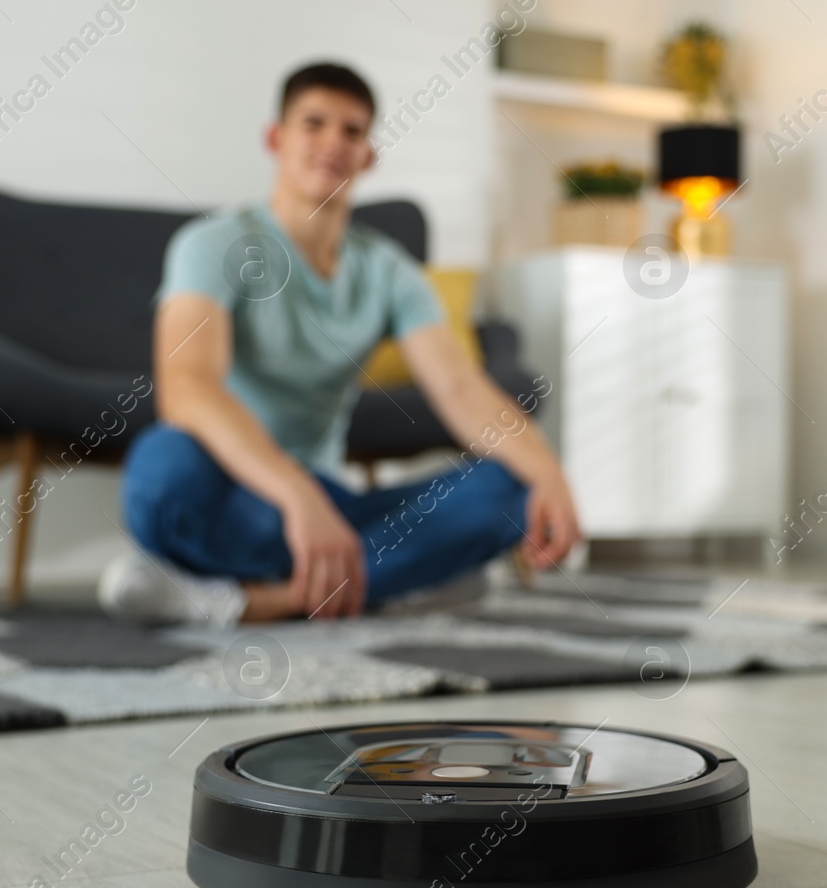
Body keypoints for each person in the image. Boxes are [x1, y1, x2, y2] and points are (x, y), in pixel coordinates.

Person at [99, 62, 580, 626]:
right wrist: (297, 498)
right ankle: (387, 581)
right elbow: (187, 388)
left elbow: (460, 389)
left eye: (352, 131)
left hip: (334, 504)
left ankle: (244, 600)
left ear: (368, 156)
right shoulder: (211, 244)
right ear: (276, 139)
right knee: (162, 468)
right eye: (314, 123)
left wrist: (550, 475)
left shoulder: (391, 272)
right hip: (236, 490)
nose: (333, 142)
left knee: (510, 488)